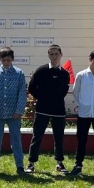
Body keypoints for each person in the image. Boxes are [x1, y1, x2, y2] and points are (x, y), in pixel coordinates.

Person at [26, 45, 71, 173]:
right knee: (37, 136)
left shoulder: (65, 74)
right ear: (48, 55)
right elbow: (32, 88)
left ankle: (60, 163)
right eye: (51, 54)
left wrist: (56, 99)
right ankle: (31, 164)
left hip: (58, 110)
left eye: (56, 54)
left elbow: (64, 90)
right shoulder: (41, 70)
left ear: (61, 55)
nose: (54, 56)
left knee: (59, 138)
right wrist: (43, 98)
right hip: (42, 109)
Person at [0, 47, 28, 173]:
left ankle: (20, 166)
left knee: (16, 140)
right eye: (4, 60)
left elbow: (22, 93)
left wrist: (19, 111)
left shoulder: (19, 73)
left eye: (8, 60)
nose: (6, 62)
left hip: (14, 114)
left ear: (12, 59)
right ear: (0, 59)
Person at [70, 50, 94, 176]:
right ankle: (78, 165)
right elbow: (76, 92)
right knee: (81, 140)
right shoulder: (81, 75)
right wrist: (82, 104)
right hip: (84, 113)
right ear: (90, 59)